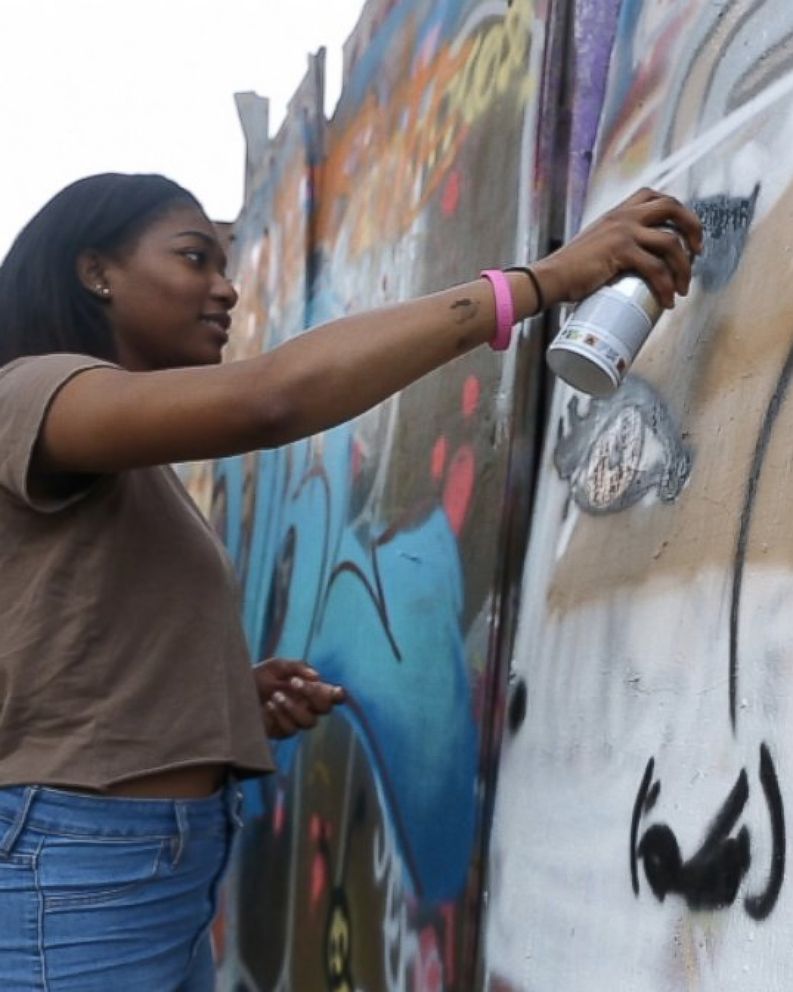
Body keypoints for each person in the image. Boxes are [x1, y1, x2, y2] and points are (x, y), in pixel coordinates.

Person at [0, 172, 702, 991]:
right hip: (82, 865)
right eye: (196, 258)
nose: (225, 288)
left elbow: (59, 647)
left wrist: (218, 689)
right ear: (96, 272)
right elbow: (273, 399)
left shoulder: (121, 462)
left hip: (134, 862)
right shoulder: (27, 391)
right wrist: (539, 283)